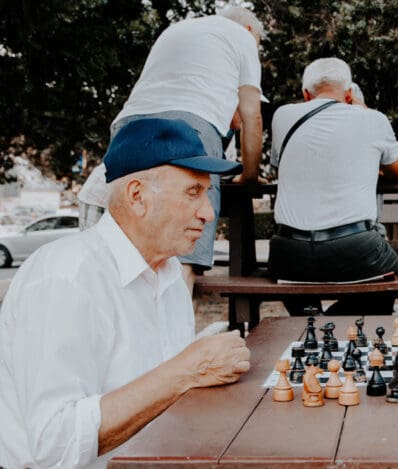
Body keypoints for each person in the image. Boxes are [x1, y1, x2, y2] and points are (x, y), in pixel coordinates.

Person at [0, 118, 252, 468]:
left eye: (207, 194)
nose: (209, 213)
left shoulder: (169, 274)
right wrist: (188, 370)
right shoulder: (66, 278)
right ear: (137, 197)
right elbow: (55, 444)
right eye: (192, 192)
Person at [78, 6, 265, 294]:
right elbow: (252, 114)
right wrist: (250, 177)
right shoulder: (242, 37)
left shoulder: (177, 29)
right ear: (251, 32)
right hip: (191, 125)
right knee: (183, 253)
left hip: (129, 124)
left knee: (126, 251)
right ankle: (175, 336)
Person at [268, 57, 398, 315]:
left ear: (305, 94)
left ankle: (310, 320)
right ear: (348, 94)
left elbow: (282, 167)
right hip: (355, 249)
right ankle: (331, 323)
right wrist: (364, 109)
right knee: (395, 273)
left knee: (285, 270)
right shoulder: (371, 119)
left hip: (288, 253)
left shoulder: (282, 116)